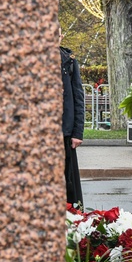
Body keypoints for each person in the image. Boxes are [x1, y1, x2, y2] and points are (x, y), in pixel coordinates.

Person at [61, 28, 84, 208]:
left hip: (65, 132)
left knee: (68, 183)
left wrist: (78, 132)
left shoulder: (69, 61)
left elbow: (78, 97)